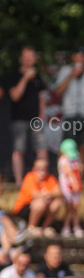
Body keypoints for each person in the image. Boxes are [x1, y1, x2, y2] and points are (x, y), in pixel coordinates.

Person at [5, 46, 47, 185]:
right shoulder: (15, 75)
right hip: (19, 119)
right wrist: (25, 78)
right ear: (21, 59)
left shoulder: (38, 76)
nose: (29, 60)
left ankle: (42, 180)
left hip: (36, 119)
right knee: (19, 150)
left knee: (41, 149)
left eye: (32, 57)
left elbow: (41, 97)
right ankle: (19, 182)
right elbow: (15, 96)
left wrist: (42, 114)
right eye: (26, 58)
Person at [54, 47, 84, 162]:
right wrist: (71, 75)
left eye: (82, 56)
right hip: (70, 114)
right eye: (77, 56)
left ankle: (80, 170)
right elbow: (58, 91)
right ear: (73, 57)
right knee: (66, 145)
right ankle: (62, 170)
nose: (79, 59)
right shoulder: (65, 70)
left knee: (82, 146)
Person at [12, 158, 64, 237]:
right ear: (34, 169)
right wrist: (49, 195)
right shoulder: (30, 177)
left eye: (44, 168)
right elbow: (35, 195)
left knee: (56, 203)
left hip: (44, 207)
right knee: (40, 203)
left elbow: (59, 192)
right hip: (25, 208)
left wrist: (46, 195)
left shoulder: (50, 178)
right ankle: (31, 227)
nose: (41, 171)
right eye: (39, 168)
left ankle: (45, 228)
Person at [56, 139, 84, 237]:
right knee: (69, 207)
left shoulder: (76, 157)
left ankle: (76, 227)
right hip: (67, 187)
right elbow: (68, 172)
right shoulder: (63, 160)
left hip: (76, 187)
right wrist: (75, 183)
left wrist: (81, 168)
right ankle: (66, 227)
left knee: (75, 207)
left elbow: (79, 169)